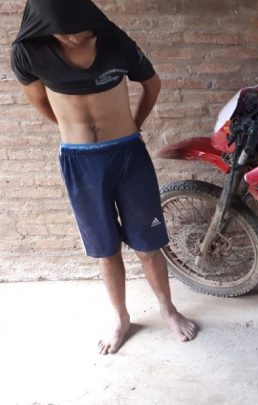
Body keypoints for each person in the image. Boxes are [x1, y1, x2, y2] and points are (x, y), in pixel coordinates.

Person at [10, 0, 198, 354]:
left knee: (148, 245)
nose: (75, 36)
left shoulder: (113, 40)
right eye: (64, 32)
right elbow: (38, 100)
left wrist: (135, 124)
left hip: (127, 154)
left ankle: (168, 310)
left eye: (80, 28)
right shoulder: (27, 52)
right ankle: (120, 318)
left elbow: (152, 84)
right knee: (105, 249)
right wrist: (71, 129)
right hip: (80, 162)